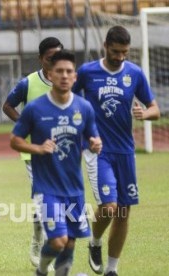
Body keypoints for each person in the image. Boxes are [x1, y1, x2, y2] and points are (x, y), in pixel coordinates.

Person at [72, 25, 160, 276]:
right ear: (105, 46)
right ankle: (95, 241)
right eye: (115, 51)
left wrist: (145, 113)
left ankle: (112, 269)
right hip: (98, 150)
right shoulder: (88, 72)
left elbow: (155, 108)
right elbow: (67, 100)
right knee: (110, 207)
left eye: (124, 52)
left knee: (123, 211)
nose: (120, 57)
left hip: (125, 152)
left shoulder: (135, 74)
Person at [10, 50, 102, 276]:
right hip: (46, 189)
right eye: (59, 71)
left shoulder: (84, 108)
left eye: (69, 71)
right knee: (59, 240)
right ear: (50, 74)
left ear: (75, 77)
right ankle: (41, 269)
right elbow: (15, 140)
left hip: (74, 189)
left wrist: (95, 144)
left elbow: (93, 137)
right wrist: (38, 148)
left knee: (70, 243)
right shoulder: (35, 108)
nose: (64, 75)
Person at [2, 37, 63, 269]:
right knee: (42, 200)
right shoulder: (28, 83)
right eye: (50, 58)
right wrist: (25, 124)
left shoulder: (68, 81)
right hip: (34, 153)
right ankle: (40, 241)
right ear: (41, 59)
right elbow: (7, 106)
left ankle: (48, 239)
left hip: (62, 154)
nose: (54, 62)